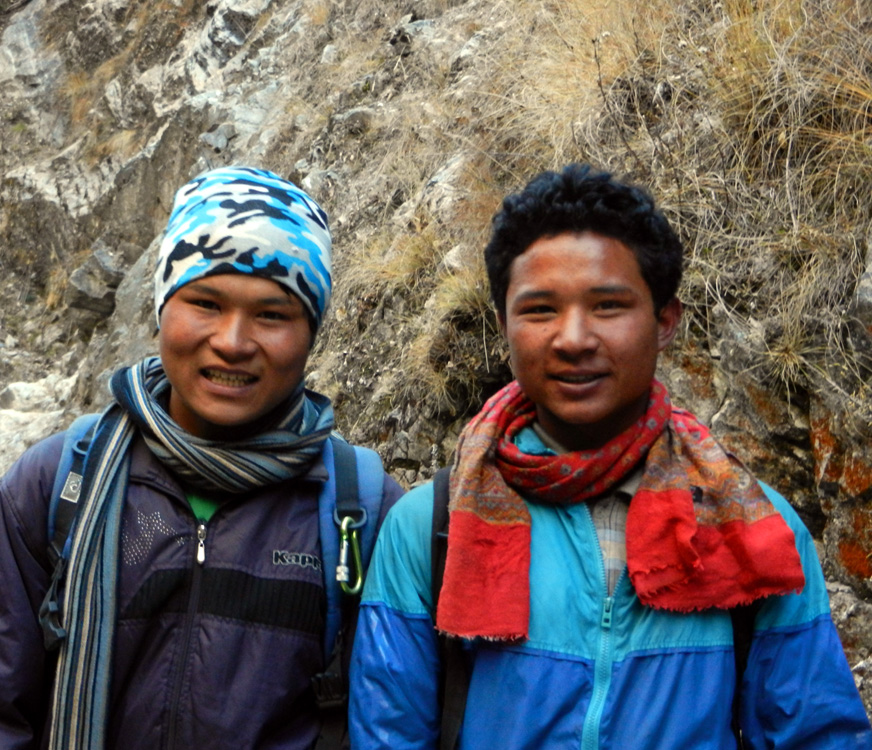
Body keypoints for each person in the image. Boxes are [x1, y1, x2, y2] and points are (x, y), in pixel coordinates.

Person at [349, 164, 872, 749]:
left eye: (608, 306)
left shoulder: (755, 533)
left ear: (665, 321)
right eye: (539, 309)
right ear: (503, 326)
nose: (573, 338)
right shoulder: (432, 528)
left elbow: (819, 736)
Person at [0, 166, 404, 749]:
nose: (232, 340)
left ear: (311, 333)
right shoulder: (57, 486)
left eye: (272, 314)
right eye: (204, 302)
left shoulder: (362, 512)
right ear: (160, 308)